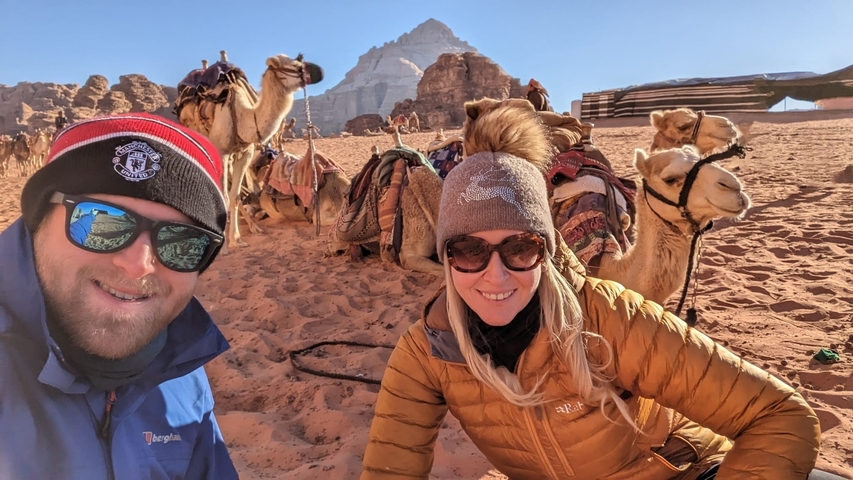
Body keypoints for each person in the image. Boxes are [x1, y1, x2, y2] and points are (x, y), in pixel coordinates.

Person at [360, 98, 838, 479]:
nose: (496, 274)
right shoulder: (429, 352)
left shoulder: (611, 318)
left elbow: (782, 415)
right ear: (445, 257)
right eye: (467, 250)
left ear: (547, 249)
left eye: (521, 248)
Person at [0, 113, 239, 479]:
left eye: (180, 243)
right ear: (37, 221)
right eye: (100, 222)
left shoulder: (182, 372)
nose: (138, 265)